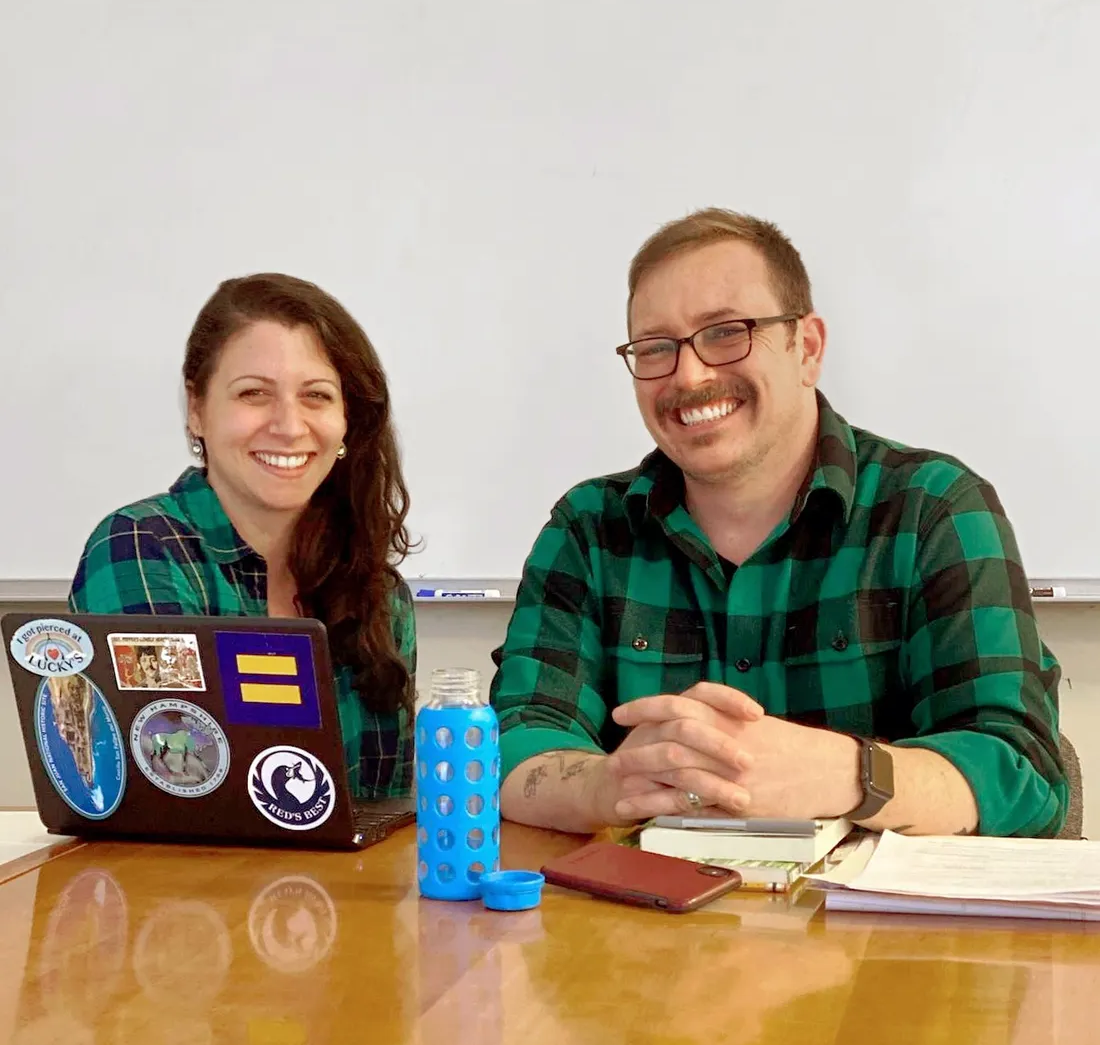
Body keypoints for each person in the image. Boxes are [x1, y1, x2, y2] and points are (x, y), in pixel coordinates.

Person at [491, 209, 1066, 837]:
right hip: (644, 925)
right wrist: (611, 783)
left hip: (875, 933)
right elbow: (512, 748)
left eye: (726, 332)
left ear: (807, 348)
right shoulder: (588, 528)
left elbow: (1022, 775)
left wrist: (847, 774)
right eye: (656, 348)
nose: (689, 375)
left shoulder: (934, 510)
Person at [70, 274, 415, 797]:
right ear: (197, 409)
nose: (289, 425)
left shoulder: (380, 596)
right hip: (182, 880)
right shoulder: (138, 548)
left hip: (357, 881)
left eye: (316, 396)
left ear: (348, 421)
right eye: (254, 393)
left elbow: (385, 809)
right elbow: (176, 790)